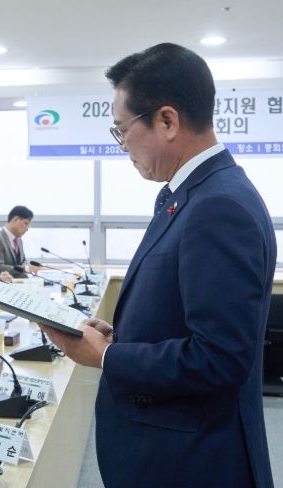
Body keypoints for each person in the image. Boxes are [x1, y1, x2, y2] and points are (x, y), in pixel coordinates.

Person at [42, 43, 275, 488]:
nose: (122, 146)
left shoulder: (218, 206)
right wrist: (123, 337)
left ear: (167, 121)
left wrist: (108, 356)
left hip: (192, 463)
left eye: (122, 130)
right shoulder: (193, 195)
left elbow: (220, 357)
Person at [0, 205, 41, 282]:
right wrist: (25, 268)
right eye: (26, 223)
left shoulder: (19, 240)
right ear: (15, 219)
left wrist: (27, 266)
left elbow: (23, 260)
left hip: (20, 282)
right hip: (4, 284)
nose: (27, 229)